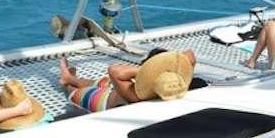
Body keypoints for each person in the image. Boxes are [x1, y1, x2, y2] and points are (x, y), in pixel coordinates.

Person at [59, 48, 196, 112]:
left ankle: (67, 83)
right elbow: (190, 55)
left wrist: (150, 71)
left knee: (76, 92)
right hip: (113, 92)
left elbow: (115, 70)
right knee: (105, 81)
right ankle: (71, 78)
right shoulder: (179, 84)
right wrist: (168, 66)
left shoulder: (137, 97)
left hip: (100, 101)